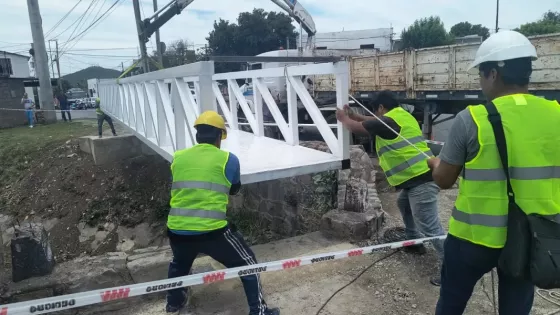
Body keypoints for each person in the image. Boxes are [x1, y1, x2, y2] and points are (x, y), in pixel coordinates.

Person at [428, 30, 560, 314]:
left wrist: (435, 164)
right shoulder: (557, 114)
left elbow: (444, 179)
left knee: (451, 303)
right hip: (531, 236)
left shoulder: (472, 118)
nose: (480, 81)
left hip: (473, 239)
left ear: (492, 74)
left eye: (480, 74)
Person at [165, 110, 280, 315]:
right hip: (212, 231)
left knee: (179, 266)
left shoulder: (178, 157)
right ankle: (259, 311)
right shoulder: (228, 159)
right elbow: (234, 189)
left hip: (177, 229)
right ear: (220, 136)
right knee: (248, 264)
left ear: (197, 135)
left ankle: (174, 304)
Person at [336, 91, 445, 286]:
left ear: (381, 108)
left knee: (430, 225)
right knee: (403, 204)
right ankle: (415, 243)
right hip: (418, 176)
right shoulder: (402, 117)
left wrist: (344, 118)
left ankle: (453, 268)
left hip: (421, 179)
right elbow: (372, 121)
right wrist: (356, 115)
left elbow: (359, 128)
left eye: (376, 111)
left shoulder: (389, 121)